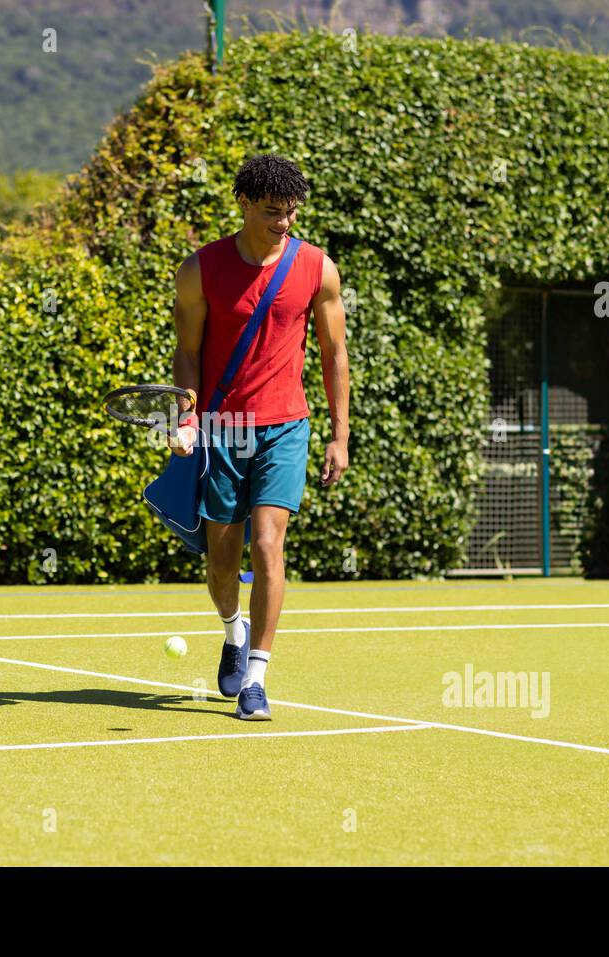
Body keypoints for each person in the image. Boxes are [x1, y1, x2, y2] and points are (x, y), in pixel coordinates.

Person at [169, 153, 350, 720]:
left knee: (269, 545)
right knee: (223, 563)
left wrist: (340, 435)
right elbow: (188, 353)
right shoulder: (199, 270)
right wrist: (185, 417)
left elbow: (334, 353)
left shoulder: (318, 269)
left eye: (291, 212)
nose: (284, 223)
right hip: (222, 430)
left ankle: (256, 679)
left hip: (285, 429)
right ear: (243, 203)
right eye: (273, 212)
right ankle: (232, 629)